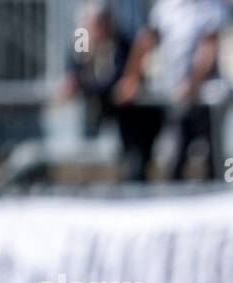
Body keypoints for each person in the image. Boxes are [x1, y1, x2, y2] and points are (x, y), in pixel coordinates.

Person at [114, 0, 233, 180]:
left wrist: (192, 84)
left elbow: (209, 49)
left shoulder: (213, 7)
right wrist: (131, 77)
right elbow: (146, 41)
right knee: (174, 153)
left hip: (204, 98)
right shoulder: (165, 8)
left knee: (212, 153)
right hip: (174, 96)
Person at [59, 2, 161, 182]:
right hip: (99, 107)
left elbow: (121, 78)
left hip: (128, 114)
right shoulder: (83, 45)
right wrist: (73, 81)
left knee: (135, 155)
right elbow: (75, 70)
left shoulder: (120, 44)